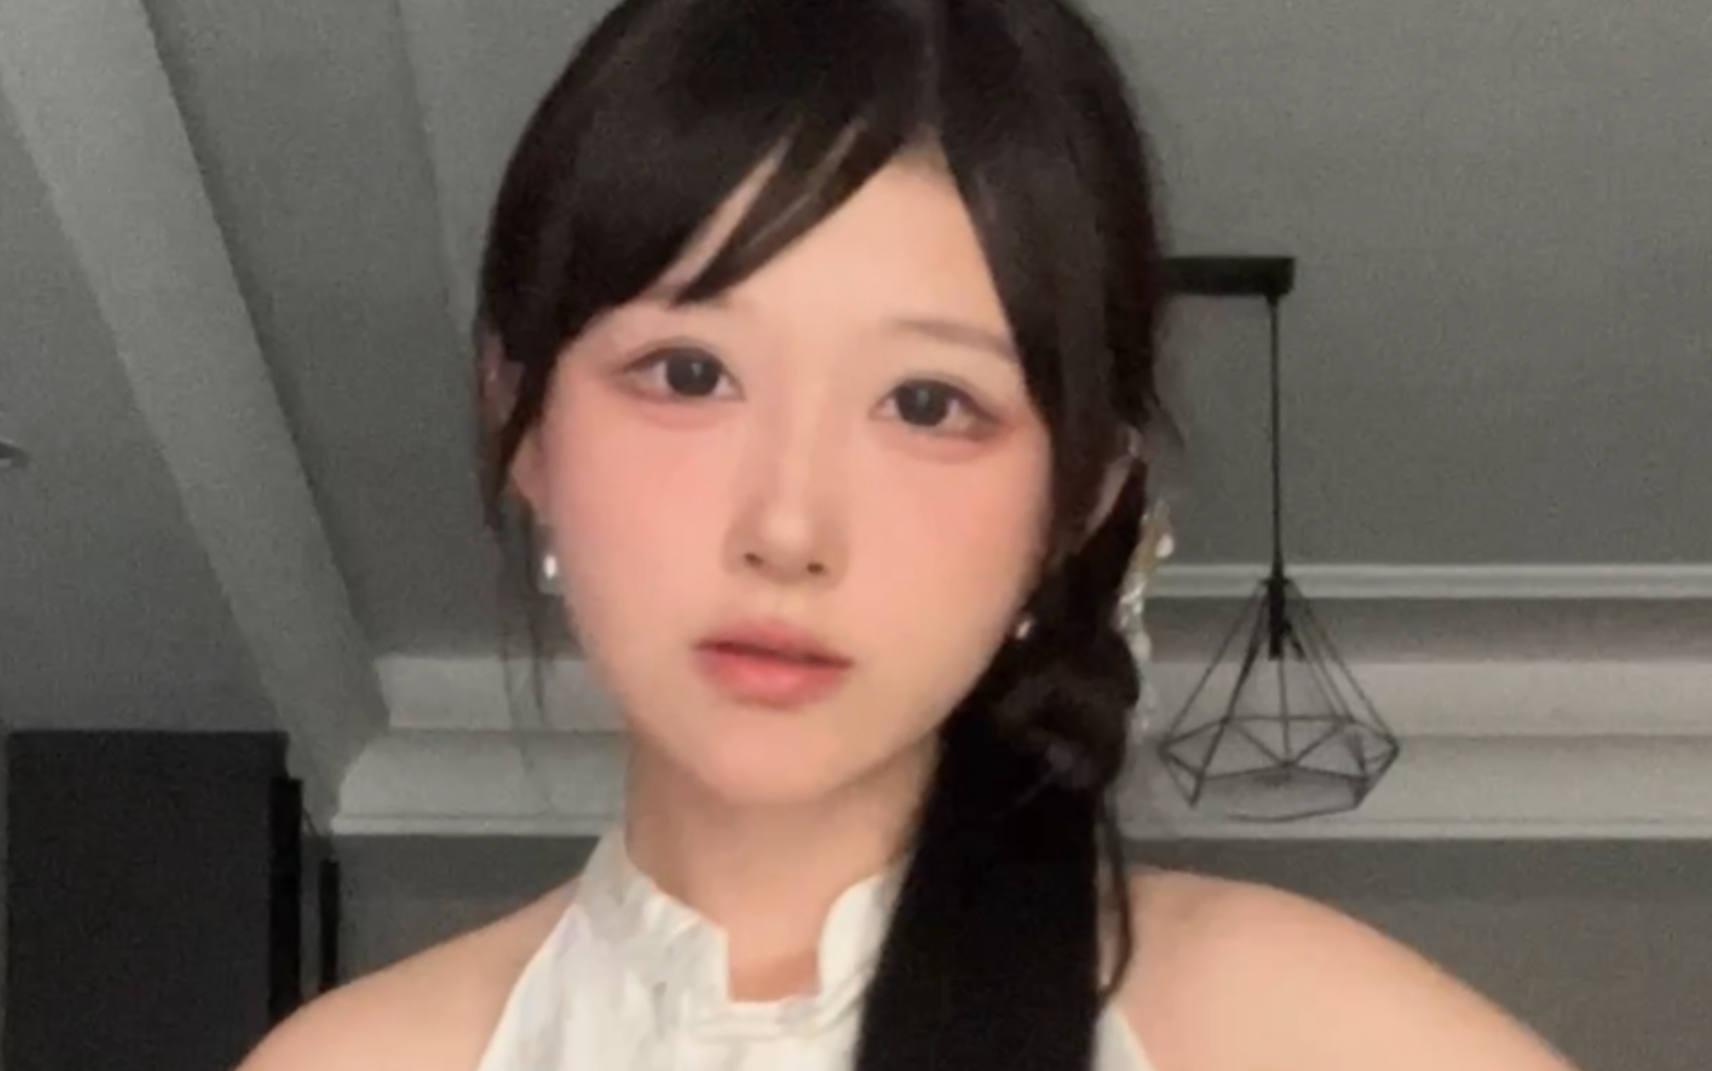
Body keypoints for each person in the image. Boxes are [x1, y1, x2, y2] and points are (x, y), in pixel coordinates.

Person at [240, 0, 1581, 1068]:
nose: (789, 529)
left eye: (929, 403)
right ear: (520, 417)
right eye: (691, 374)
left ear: (1078, 503)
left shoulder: (1295, 1031)